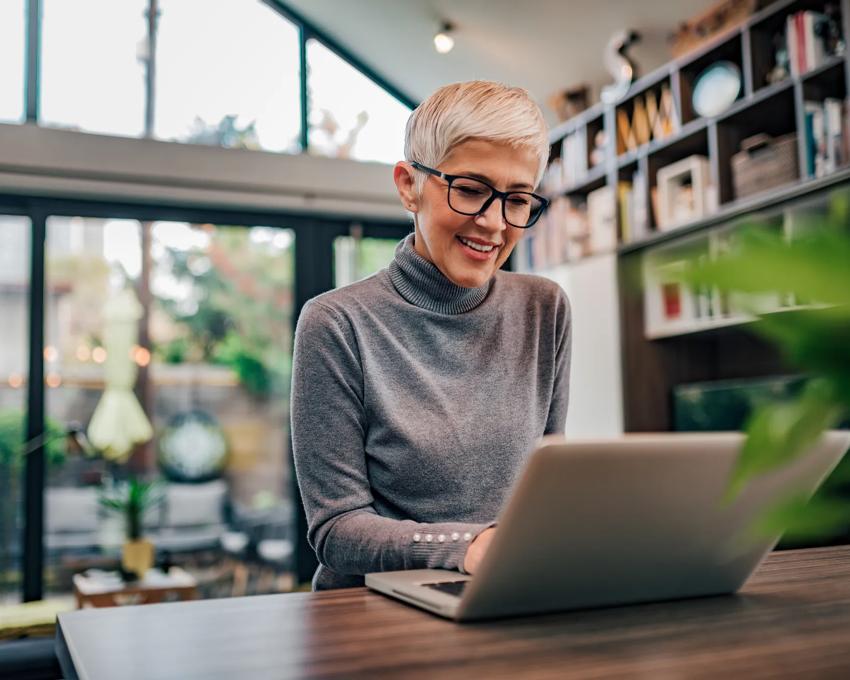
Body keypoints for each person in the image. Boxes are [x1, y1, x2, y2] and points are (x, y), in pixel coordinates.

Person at [291, 80, 572, 590]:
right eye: (469, 190)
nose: (493, 223)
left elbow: (547, 490)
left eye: (517, 199)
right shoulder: (336, 323)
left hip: (503, 595)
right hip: (371, 615)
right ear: (408, 185)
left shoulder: (543, 308)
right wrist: (467, 547)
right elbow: (336, 530)